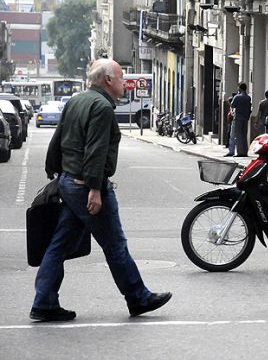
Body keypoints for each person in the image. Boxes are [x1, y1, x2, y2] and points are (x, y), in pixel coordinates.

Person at [31, 59, 171, 322]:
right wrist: (95, 189)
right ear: (107, 80)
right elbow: (95, 151)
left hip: (68, 182)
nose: (124, 82)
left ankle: (44, 301)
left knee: (59, 244)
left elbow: (57, 138)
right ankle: (138, 297)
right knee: (114, 244)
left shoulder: (76, 100)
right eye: (120, 78)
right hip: (86, 186)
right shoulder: (102, 107)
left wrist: (54, 171)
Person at [230, 82, 251, 157]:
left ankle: (240, 152)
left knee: (238, 135)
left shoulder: (237, 97)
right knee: (244, 135)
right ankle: (245, 151)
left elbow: (232, 105)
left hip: (238, 117)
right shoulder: (248, 97)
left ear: (239, 88)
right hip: (245, 118)